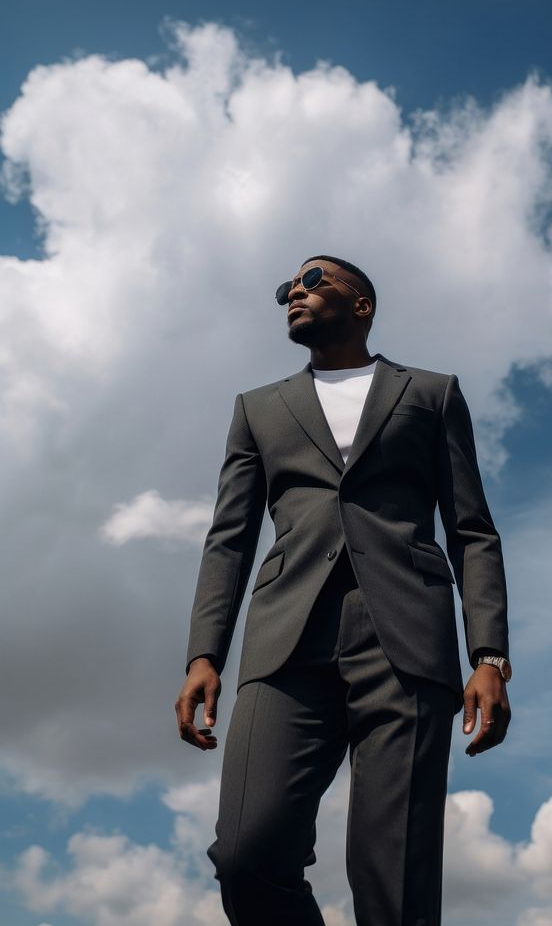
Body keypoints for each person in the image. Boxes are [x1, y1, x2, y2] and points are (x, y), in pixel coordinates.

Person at [175, 254, 512, 926]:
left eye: (311, 282)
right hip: (284, 641)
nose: (293, 294)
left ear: (360, 304)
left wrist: (488, 657)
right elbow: (229, 538)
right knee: (246, 854)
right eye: (286, 290)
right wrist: (202, 654)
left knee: (392, 880)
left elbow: (471, 531)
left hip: (408, 642)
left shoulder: (431, 393)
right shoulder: (258, 409)